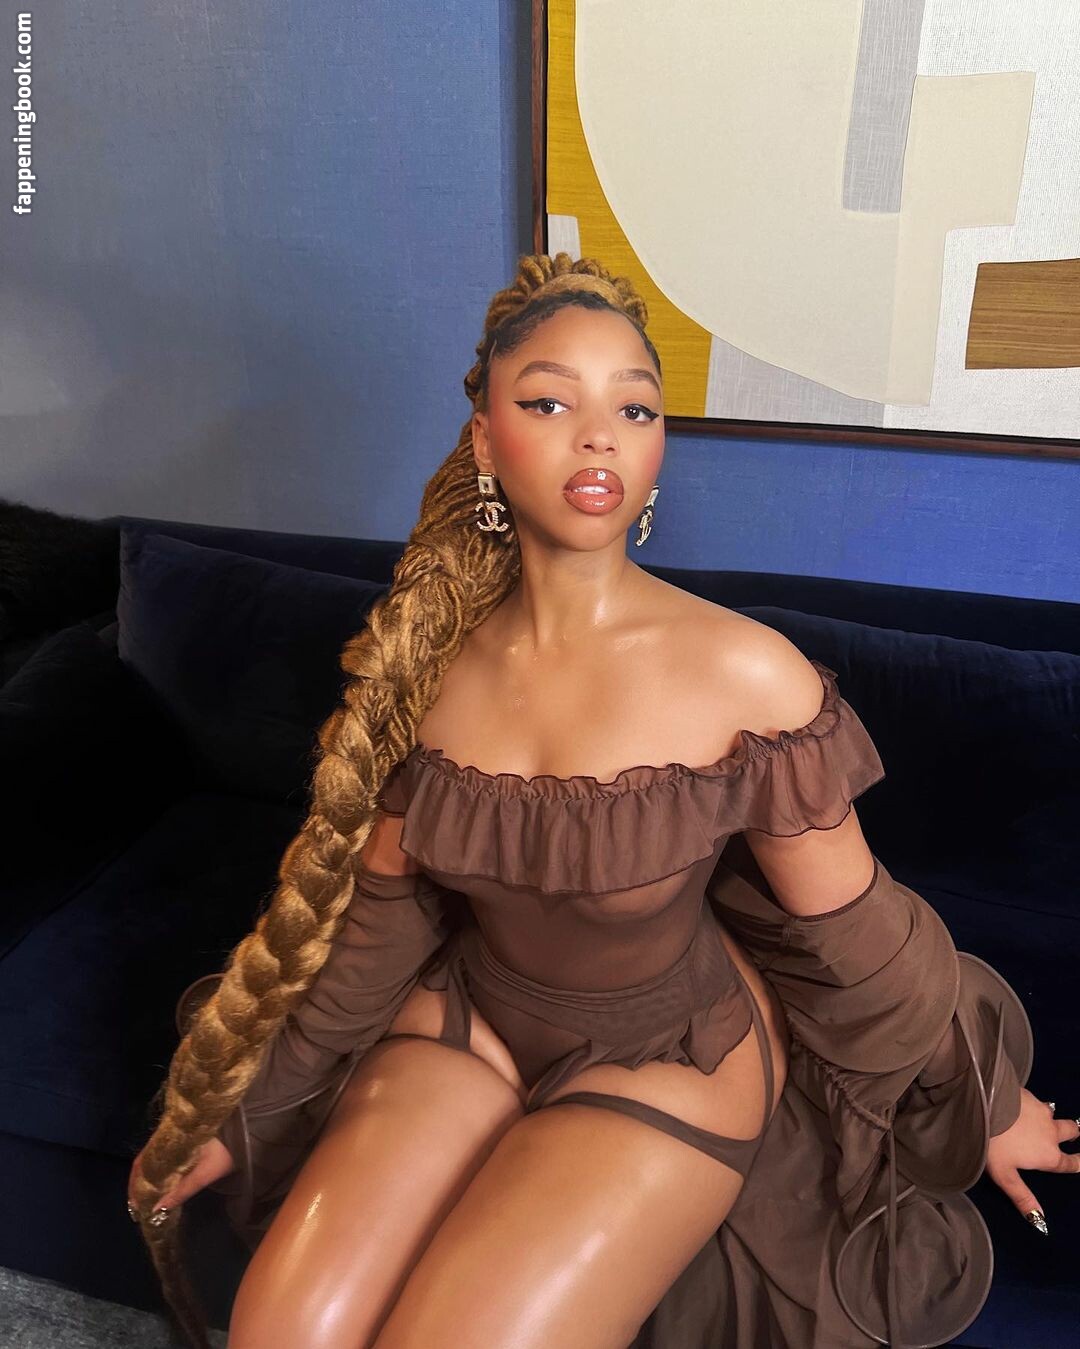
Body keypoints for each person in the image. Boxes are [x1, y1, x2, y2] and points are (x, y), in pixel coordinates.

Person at [127, 252, 1075, 1349]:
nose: (599, 437)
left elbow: (854, 931)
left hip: (673, 1052)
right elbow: (380, 924)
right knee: (283, 1331)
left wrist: (982, 1100)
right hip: (470, 1015)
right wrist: (242, 1107)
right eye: (549, 402)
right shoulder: (427, 666)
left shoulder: (748, 674)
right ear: (486, 441)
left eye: (634, 406)